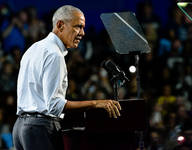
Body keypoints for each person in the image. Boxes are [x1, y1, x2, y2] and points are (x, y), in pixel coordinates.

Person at [12, 5, 121, 150]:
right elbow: (55, 105)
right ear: (60, 25)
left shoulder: (34, 48)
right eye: (78, 27)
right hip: (40, 128)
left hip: (21, 128)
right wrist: (95, 104)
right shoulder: (54, 55)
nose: (82, 33)